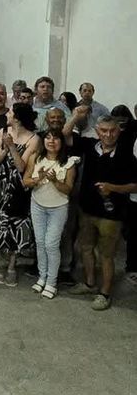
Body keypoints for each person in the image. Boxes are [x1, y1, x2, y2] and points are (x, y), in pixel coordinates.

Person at [65, 114, 137, 310]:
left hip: (111, 216)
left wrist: (113, 188)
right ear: (97, 131)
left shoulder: (126, 155)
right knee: (86, 248)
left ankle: (104, 293)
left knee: (107, 254)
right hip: (87, 210)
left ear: (119, 131)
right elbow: (66, 134)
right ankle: (90, 284)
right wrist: (75, 116)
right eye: (104, 130)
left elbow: (135, 185)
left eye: (112, 130)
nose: (108, 135)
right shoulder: (90, 146)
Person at [0, 103, 40, 287]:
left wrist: (12, 146)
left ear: (17, 117)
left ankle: (11, 265)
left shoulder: (33, 138)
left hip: (18, 187)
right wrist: (4, 148)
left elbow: (21, 166)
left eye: (10, 112)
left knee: (16, 224)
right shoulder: (3, 131)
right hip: (0, 184)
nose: (7, 114)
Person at [22, 129, 77, 299]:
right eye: (47, 138)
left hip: (58, 207)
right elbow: (25, 181)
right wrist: (38, 178)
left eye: (55, 138)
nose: (51, 141)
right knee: (40, 243)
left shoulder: (69, 163)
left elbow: (68, 189)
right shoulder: (35, 158)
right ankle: (42, 277)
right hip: (37, 205)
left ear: (62, 142)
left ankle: (52, 282)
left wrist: (54, 181)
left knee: (51, 244)